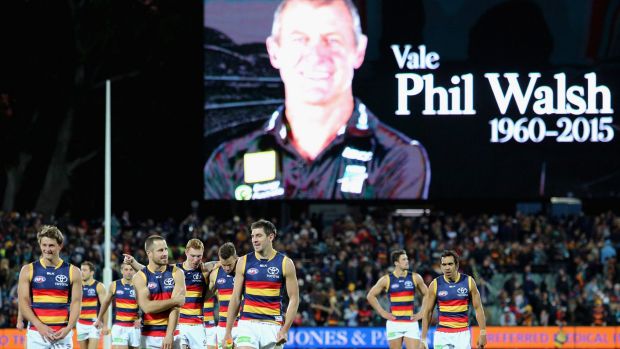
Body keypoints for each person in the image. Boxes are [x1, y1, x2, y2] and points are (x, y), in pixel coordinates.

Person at [204, 0, 430, 200]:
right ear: (274, 52)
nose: (316, 56)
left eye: (332, 40)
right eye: (299, 40)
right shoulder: (229, 162)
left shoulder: (398, 157)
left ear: (359, 51)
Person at [125, 239, 218, 349]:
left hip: (197, 323)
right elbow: (151, 271)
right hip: (179, 323)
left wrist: (220, 265)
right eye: (193, 256)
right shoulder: (175, 270)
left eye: (199, 256)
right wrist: (134, 263)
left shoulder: (205, 270)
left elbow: (225, 264)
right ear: (186, 252)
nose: (196, 260)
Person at [223, 219, 299, 349]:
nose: (254, 240)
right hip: (247, 324)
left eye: (259, 235)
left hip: (273, 326)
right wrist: (228, 331)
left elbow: (294, 298)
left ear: (271, 236)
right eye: (252, 236)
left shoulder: (285, 263)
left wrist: (285, 329)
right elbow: (235, 298)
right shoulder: (243, 261)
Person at [17, 225, 83, 349]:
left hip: (62, 335)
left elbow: (76, 303)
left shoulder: (73, 271)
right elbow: (23, 302)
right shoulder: (28, 270)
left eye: (51, 245)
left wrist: (69, 328)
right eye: (44, 245)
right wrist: (39, 325)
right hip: (37, 334)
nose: (47, 249)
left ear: (60, 245)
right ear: (40, 245)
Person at [419, 250, 487, 349]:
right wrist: (423, 339)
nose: (447, 267)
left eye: (450, 264)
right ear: (441, 266)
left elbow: (478, 309)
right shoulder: (435, 284)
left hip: (462, 334)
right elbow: (427, 312)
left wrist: (483, 333)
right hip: (442, 334)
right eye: (444, 264)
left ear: (457, 265)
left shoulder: (468, 282)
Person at [132, 235, 186, 349]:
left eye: (166, 249)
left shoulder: (177, 273)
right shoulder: (139, 277)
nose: (165, 253)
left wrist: (169, 334)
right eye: (160, 250)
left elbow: (175, 308)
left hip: (173, 335)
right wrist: (174, 300)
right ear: (149, 253)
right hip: (148, 337)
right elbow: (147, 307)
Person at [367, 250, 428, 349]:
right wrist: (382, 313)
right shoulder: (387, 279)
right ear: (396, 263)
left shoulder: (415, 277)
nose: (407, 261)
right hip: (394, 323)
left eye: (407, 259)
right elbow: (370, 296)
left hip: (411, 323)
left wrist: (422, 312)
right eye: (404, 259)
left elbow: (427, 294)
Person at [95, 262, 141, 349]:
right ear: (121, 271)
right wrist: (99, 319)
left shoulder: (139, 286)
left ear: (135, 271)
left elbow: (146, 306)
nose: (129, 272)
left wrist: (141, 319)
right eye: (126, 269)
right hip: (119, 327)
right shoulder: (114, 285)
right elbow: (105, 303)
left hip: (134, 327)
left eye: (131, 269)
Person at [205, 242, 240, 348]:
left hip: (242, 325)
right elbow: (206, 296)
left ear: (235, 258)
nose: (227, 268)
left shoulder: (244, 270)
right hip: (222, 326)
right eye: (224, 265)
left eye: (229, 264)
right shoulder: (216, 273)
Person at [77, 261, 108, 349]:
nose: (82, 272)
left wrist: (105, 325)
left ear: (92, 272)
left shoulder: (99, 286)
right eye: (81, 270)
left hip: (94, 325)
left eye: (85, 270)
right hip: (80, 324)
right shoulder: (77, 286)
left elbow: (105, 307)